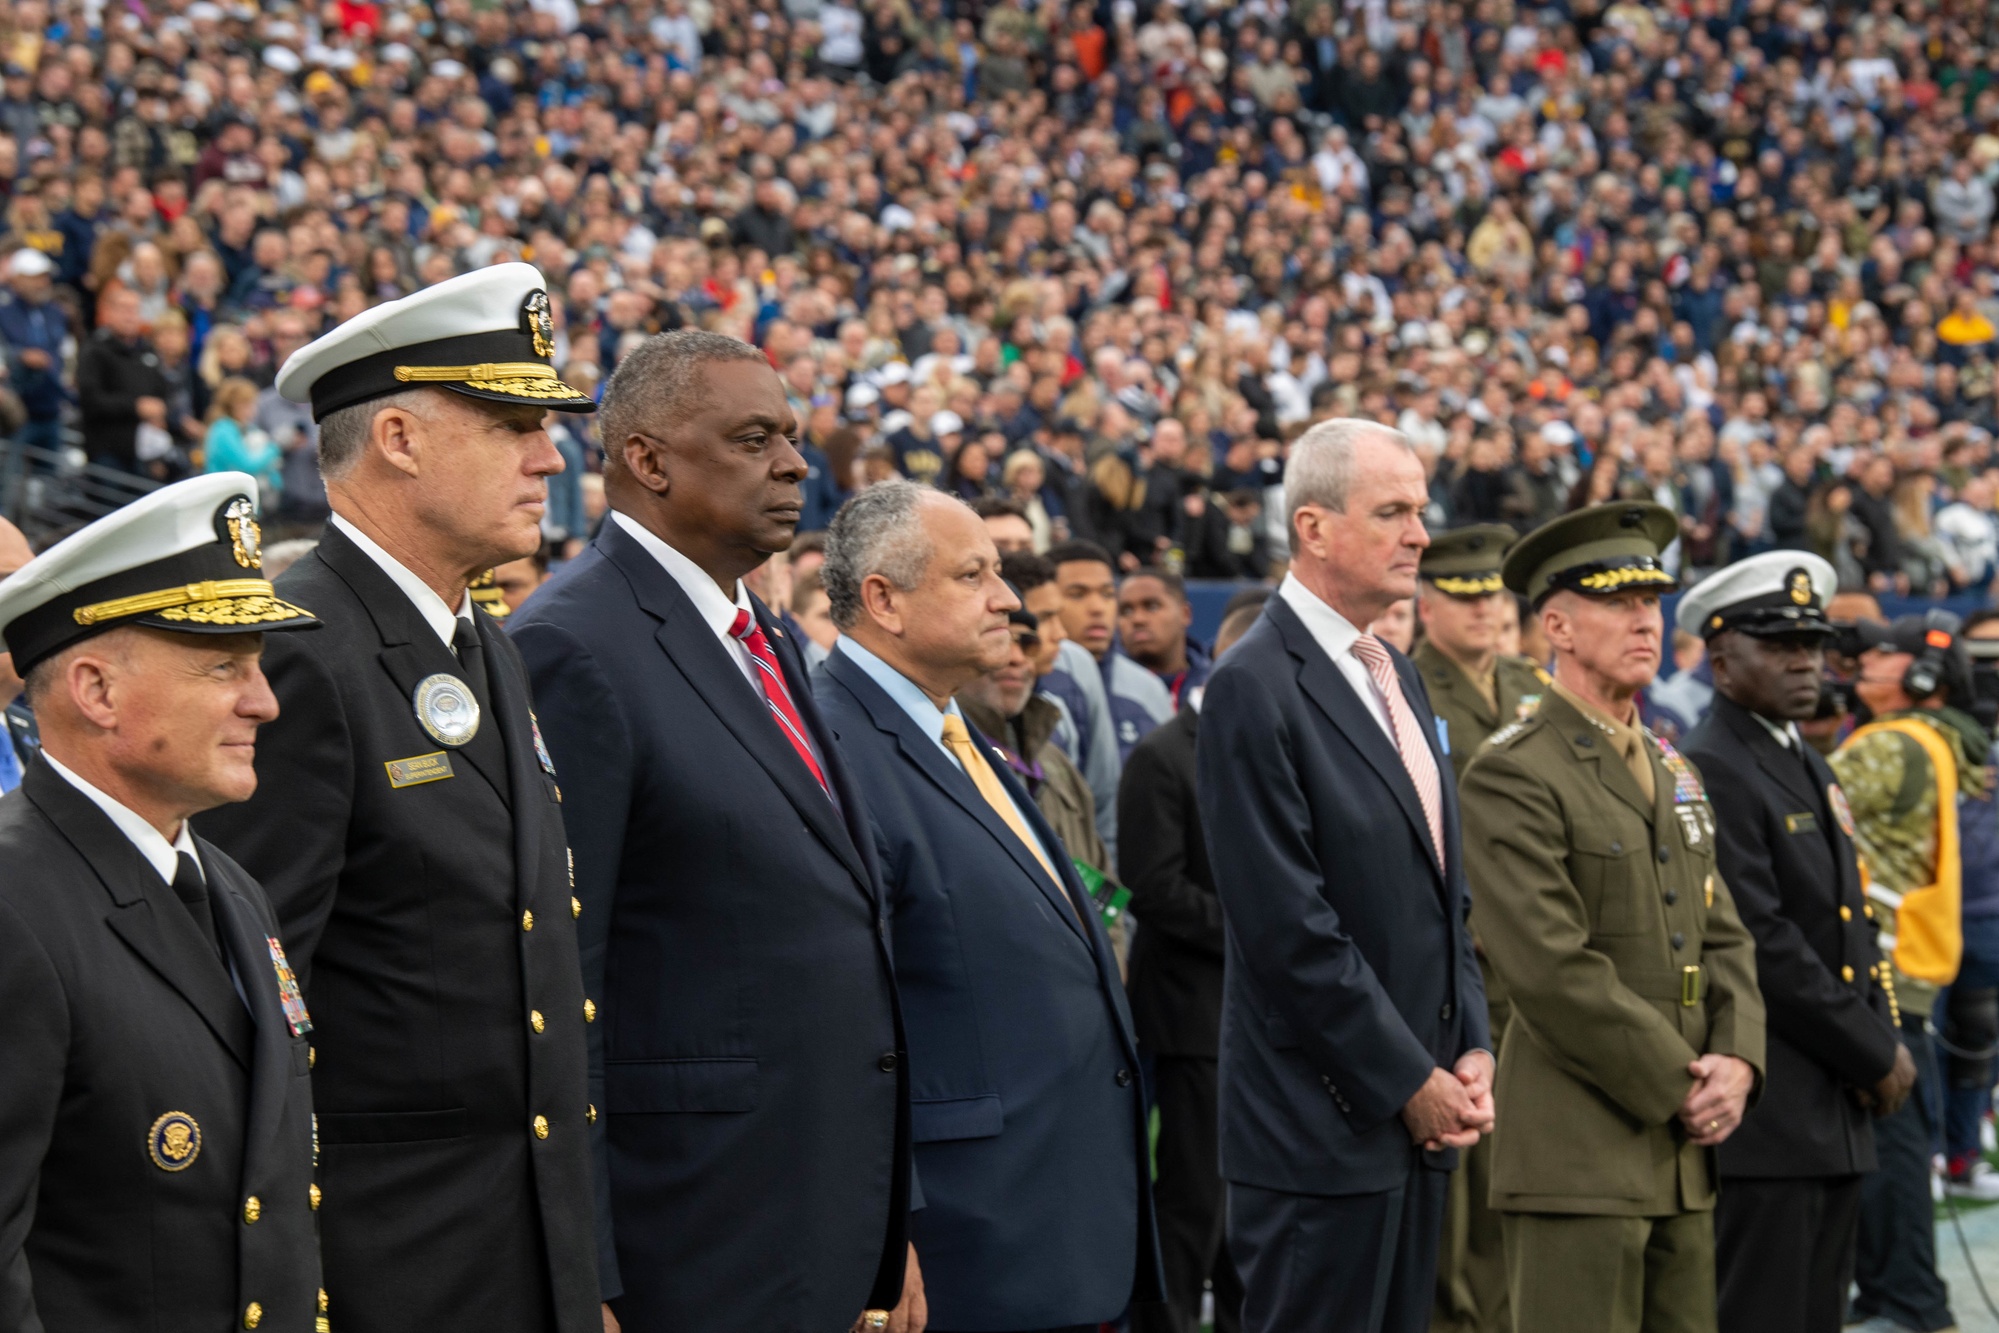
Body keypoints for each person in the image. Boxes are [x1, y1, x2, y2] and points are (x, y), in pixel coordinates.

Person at [193, 264, 603, 1333]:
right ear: (400, 440)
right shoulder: (297, 652)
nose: (549, 455)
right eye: (512, 423)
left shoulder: (480, 640)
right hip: (389, 1262)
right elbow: (251, 1011)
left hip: (519, 1250)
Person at [507, 330, 914, 1333]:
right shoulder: (570, 644)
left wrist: (884, 1223)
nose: (794, 463)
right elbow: (565, 976)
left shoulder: (762, 631)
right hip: (685, 1239)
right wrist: (586, 1268)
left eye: (792, 436)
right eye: (753, 438)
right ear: (647, 460)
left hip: (816, 1210)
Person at [813, 481, 1160, 1333]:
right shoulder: (834, 750)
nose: (1008, 599)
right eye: (974, 575)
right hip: (964, 1252)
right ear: (884, 600)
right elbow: (842, 1031)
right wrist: (882, 1233)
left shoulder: (957, 734)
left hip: (1053, 1227)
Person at [0, 472, 324, 1332]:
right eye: (223, 665)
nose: (265, 700)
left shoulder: (231, 886)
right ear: (96, 690)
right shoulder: (12, 902)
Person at [1197, 420, 1493, 1333]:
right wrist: (1410, 1078)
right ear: (1314, 527)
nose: (1420, 534)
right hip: (1318, 1133)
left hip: (1417, 1117)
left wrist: (1471, 1044)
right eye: (1393, 511)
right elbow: (1288, 926)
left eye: (1421, 510)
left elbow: (1444, 891)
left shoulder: (1393, 670)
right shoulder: (1255, 682)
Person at [1458, 502, 1766, 1333]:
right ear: (1555, 623)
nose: (1645, 619)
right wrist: (1684, 1084)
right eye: (1617, 601)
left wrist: (1736, 1056)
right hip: (1577, 1147)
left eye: (1652, 601)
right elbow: (1549, 968)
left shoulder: (1667, 766)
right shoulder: (1512, 773)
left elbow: (1724, 931)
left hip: (1679, 1153)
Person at [1677, 553, 1912, 1333]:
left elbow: (1848, 921)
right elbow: (1762, 943)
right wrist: (1872, 1050)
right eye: (1778, 643)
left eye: (1811, 642)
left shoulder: (1799, 757)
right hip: (1773, 1104)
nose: (1804, 659)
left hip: (1827, 1103)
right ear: (1720, 657)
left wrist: (1879, 1035)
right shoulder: (1712, 762)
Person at [1833, 613, 1985, 1333]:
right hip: (1907, 965)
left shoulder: (1894, 742)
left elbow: (1796, 801)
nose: (1863, 664)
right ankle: (1896, 1291)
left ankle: (1909, 1300)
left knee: (1889, 1145)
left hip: (1884, 965)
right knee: (1891, 1137)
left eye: (1881, 655)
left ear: (1922, 676)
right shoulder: (1934, 738)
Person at [1412, 523, 1545, 1333]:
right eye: (1464, 597)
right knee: (1457, 1175)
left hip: (1534, 961)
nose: (1484, 612)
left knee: (1517, 1165)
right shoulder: (1407, 688)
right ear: (1426, 605)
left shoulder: (1534, 685)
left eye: (1493, 596)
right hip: (1458, 959)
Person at [1122, 599, 1263, 1333]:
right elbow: (1153, 887)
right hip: (1191, 1019)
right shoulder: (1162, 753)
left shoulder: (1269, 745)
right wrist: (1261, 933)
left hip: (1262, 1020)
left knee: (1250, 1211)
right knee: (1192, 1206)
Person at [955, 585, 1112, 897]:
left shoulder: (1057, 764)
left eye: (1027, 644)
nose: (1016, 658)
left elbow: (1105, 894)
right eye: (999, 640)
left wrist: (1111, 947)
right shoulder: (941, 754)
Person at [1049, 539, 1173, 760]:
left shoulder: (1147, 689)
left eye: (1107, 594)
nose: (1098, 608)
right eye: (1077, 594)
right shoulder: (1024, 682)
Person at [76, 285, 172, 474]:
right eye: (123, 309)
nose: (130, 315)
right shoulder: (94, 351)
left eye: (135, 309)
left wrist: (160, 411)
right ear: (108, 313)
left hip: (145, 451)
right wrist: (135, 406)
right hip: (107, 451)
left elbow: (161, 390)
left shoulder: (147, 351)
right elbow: (91, 400)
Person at [0, 247, 70, 454]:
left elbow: (62, 351)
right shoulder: (4, 312)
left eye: (45, 277)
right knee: (11, 476)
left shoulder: (56, 313)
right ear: (17, 279)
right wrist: (21, 356)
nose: (43, 283)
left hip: (51, 406)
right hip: (17, 407)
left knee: (51, 478)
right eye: (35, 277)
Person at [1119, 566, 1210, 708]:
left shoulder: (1214, 683)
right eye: (1127, 610)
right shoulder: (1104, 686)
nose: (1137, 619)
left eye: (1152, 607)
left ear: (1185, 614)